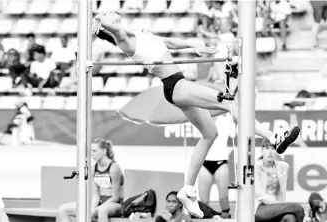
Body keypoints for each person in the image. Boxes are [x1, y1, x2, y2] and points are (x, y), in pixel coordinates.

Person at [92, 11, 300, 218]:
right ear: (108, 28)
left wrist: (193, 46)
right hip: (176, 85)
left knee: (210, 133)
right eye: (106, 14)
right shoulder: (123, 39)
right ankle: (274, 137)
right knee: (231, 104)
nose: (110, 12)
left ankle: (187, 190)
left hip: (177, 87)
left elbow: (167, 42)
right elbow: (116, 30)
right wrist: (99, 24)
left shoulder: (138, 33)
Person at [58, 138, 124, 222]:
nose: (92, 154)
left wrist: (96, 209)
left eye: (94, 151)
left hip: (115, 204)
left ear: (104, 151)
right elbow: (96, 194)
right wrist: (92, 209)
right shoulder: (93, 168)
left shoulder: (114, 168)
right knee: (63, 209)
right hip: (99, 203)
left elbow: (115, 197)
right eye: (91, 151)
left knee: (102, 210)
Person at [254, 139, 305, 222]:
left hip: (278, 207)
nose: (270, 152)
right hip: (260, 207)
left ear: (277, 151)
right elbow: (260, 196)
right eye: (267, 148)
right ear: (262, 150)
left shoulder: (284, 167)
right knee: (297, 208)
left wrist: (281, 206)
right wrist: (280, 205)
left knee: (290, 218)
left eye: (273, 148)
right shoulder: (255, 168)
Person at [198, 113, 233, 218]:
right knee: (203, 201)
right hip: (204, 162)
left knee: (223, 198)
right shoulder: (201, 116)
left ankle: (226, 215)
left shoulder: (227, 117)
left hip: (221, 162)